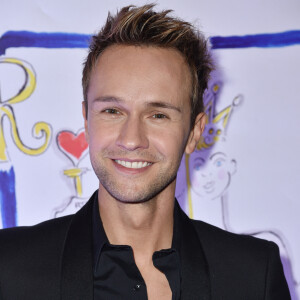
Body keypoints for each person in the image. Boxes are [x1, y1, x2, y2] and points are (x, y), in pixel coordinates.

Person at [0, 4, 291, 300]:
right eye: (112, 111)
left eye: (158, 115)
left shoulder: (252, 277)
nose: (131, 139)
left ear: (194, 132)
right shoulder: (8, 268)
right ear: (86, 121)